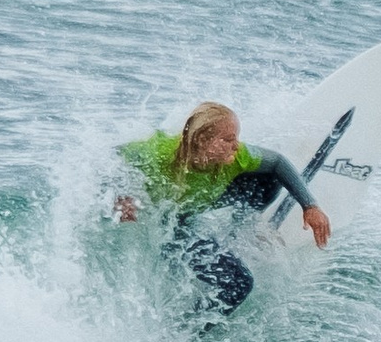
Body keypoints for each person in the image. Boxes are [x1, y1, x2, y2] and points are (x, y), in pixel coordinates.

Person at [115, 101, 330, 315]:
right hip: (171, 224)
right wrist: (123, 196)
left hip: (202, 202)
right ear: (202, 140)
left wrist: (310, 206)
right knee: (239, 283)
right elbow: (114, 157)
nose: (236, 146)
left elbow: (277, 162)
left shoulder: (237, 157)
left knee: (269, 177)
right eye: (228, 139)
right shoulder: (161, 152)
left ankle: (246, 225)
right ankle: (185, 331)